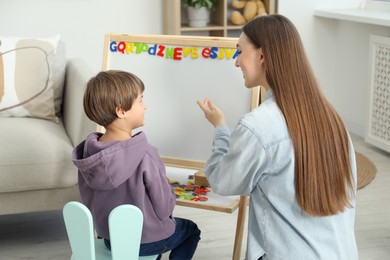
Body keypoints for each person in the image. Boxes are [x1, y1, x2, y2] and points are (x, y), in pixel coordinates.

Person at [197, 14, 358, 260]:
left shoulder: (258, 125)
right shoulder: (332, 119)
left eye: (239, 51)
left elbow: (222, 182)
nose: (236, 62)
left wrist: (220, 129)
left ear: (262, 55)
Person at [72, 70, 201, 260]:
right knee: (191, 231)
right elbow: (164, 209)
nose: (145, 106)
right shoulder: (146, 154)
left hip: (110, 238)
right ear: (121, 110)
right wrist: (169, 191)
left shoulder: (89, 155)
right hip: (146, 241)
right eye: (140, 100)